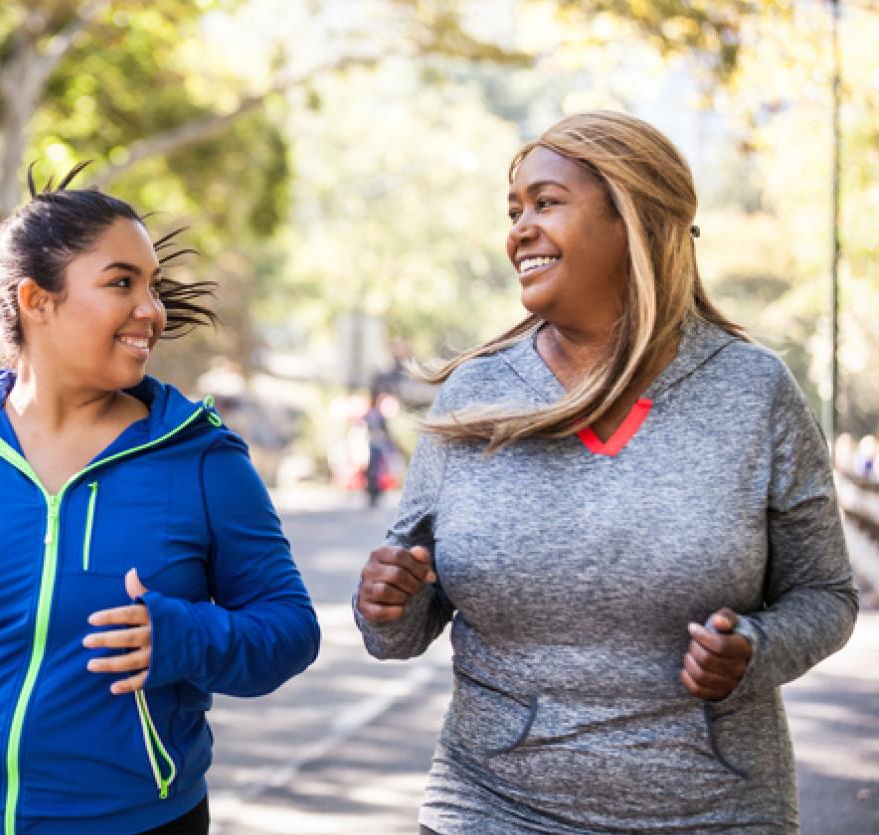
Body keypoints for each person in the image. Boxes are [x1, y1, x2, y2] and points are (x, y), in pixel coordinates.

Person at [354, 111, 857, 834]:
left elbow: (826, 593)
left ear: (633, 218)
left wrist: (756, 649)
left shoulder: (753, 391)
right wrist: (388, 603)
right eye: (514, 210)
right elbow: (399, 631)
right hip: (491, 803)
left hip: (716, 810)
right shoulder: (475, 394)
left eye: (546, 202)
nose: (519, 228)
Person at [0, 165, 321, 835]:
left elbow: (290, 628)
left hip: (141, 821)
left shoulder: (201, 460)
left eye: (153, 285)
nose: (152, 309)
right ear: (35, 300)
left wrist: (188, 637)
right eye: (121, 283)